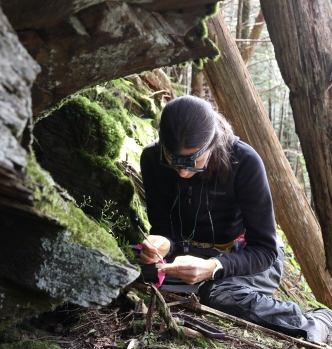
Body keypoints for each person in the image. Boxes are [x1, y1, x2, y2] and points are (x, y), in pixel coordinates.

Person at [137, 95, 332, 344]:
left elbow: (265, 250)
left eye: (193, 161)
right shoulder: (152, 159)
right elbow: (164, 226)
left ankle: (315, 321)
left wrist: (214, 268)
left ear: (212, 144)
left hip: (248, 258)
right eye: (173, 161)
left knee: (219, 294)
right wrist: (162, 244)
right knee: (130, 270)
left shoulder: (244, 162)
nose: (183, 173)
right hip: (189, 252)